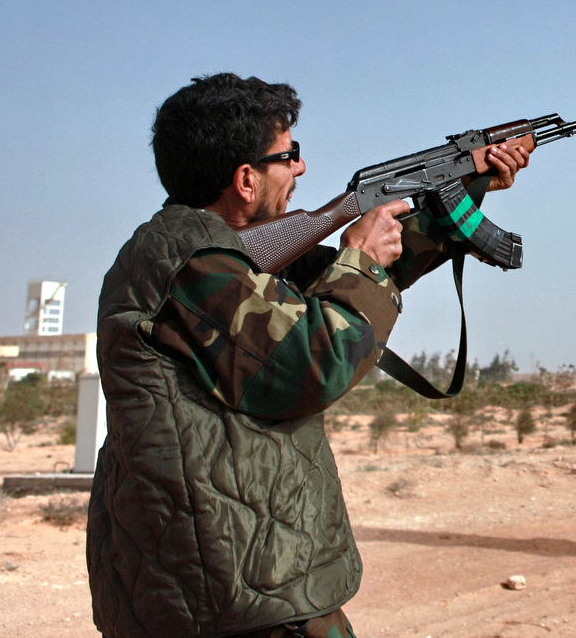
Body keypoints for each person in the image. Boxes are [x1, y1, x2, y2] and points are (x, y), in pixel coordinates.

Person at [87, 74, 531, 638]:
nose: (300, 168)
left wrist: (463, 195)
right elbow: (313, 358)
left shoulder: (218, 257)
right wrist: (361, 256)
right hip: (236, 590)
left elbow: (339, 287)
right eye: (289, 155)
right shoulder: (194, 263)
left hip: (232, 575)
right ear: (246, 179)